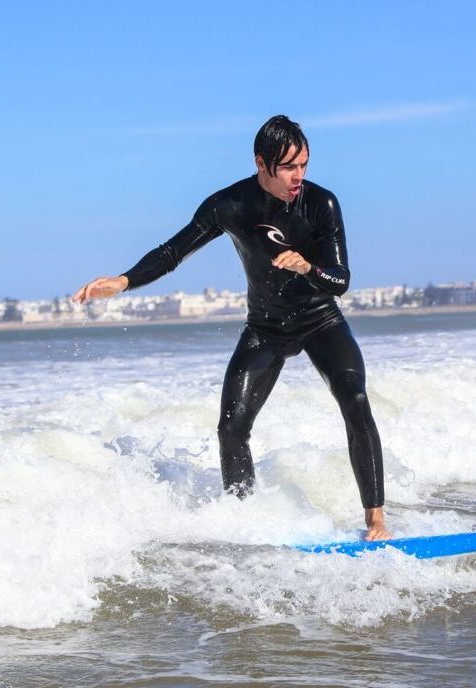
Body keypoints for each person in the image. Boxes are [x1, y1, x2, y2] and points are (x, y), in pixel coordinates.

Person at [72, 115, 390, 540]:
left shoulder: (321, 203)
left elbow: (341, 279)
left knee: (354, 397)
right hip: (266, 327)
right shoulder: (230, 204)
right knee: (231, 427)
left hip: (320, 320)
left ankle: (376, 522)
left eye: (304, 166)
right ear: (262, 164)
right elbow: (173, 250)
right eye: (289, 167)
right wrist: (125, 281)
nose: (299, 177)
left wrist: (308, 266)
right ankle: (245, 522)